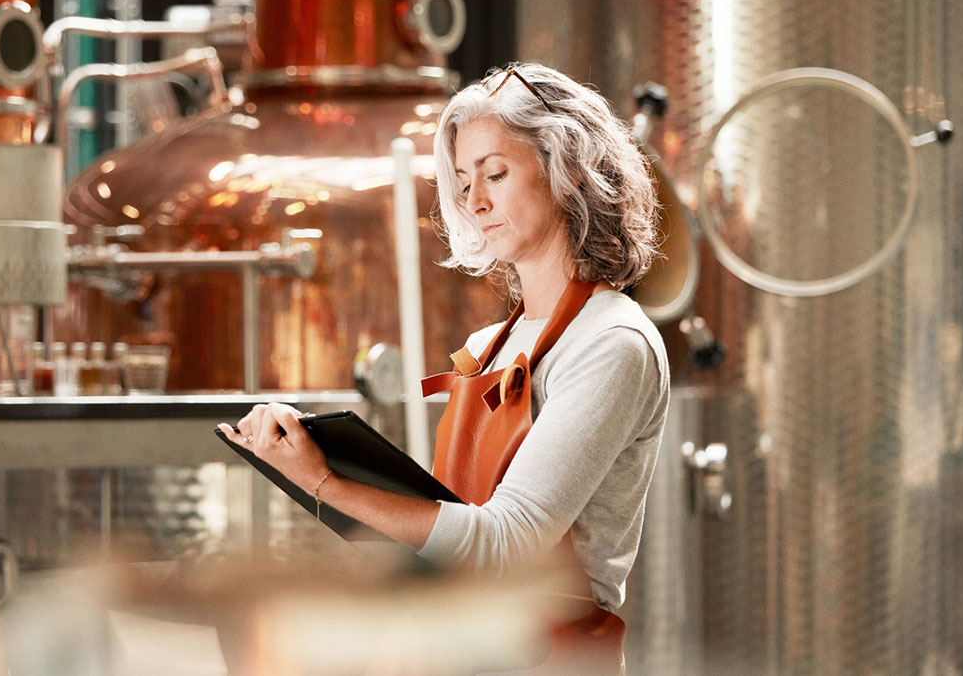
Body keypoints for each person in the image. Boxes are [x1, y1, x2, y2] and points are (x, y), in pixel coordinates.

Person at [217, 63, 669, 672]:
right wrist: (308, 462)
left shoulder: (612, 342)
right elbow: (441, 541)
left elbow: (505, 547)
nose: (474, 201)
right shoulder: (486, 347)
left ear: (567, 172)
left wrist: (333, 484)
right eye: (461, 181)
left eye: (496, 174)